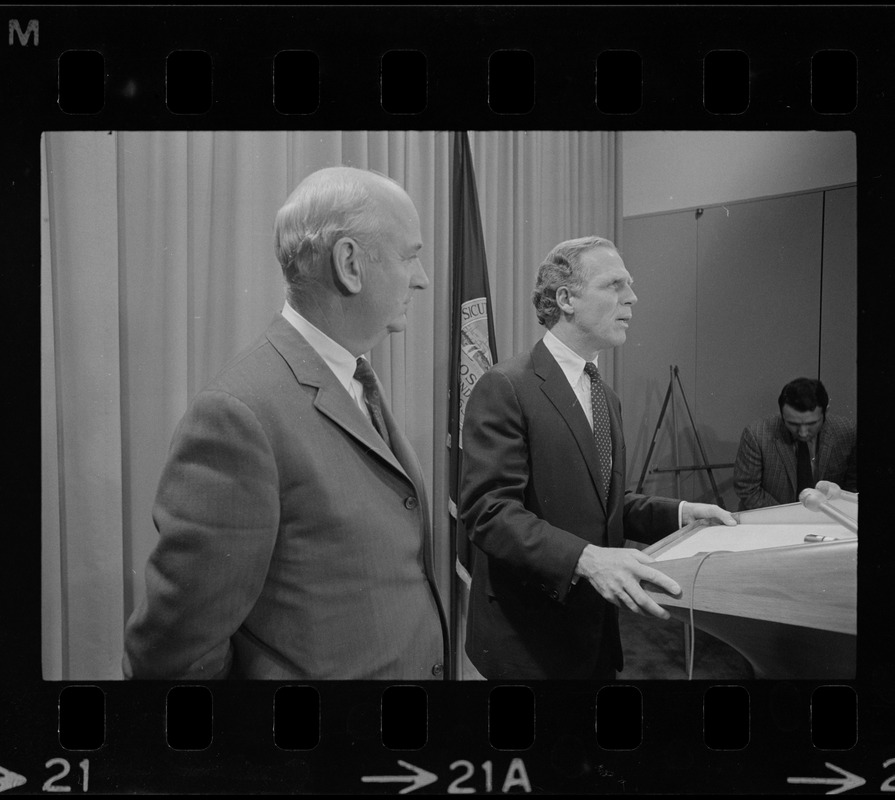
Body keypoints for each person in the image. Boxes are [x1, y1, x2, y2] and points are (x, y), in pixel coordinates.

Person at [123, 166, 449, 680]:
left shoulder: (354, 373)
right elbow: (174, 654)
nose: (422, 277)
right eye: (411, 255)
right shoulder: (239, 416)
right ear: (350, 264)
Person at [459, 236, 736, 680]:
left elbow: (606, 503)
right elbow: (488, 513)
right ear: (566, 299)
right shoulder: (506, 385)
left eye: (629, 285)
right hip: (528, 643)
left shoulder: (604, 395)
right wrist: (587, 559)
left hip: (594, 638)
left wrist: (682, 514)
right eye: (614, 284)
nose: (632, 297)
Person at [733, 377, 857, 511]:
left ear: (826, 412)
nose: (803, 433)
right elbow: (748, 489)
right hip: (772, 517)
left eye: (812, 424)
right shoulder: (757, 435)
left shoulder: (847, 432)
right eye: (793, 424)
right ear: (782, 415)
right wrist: (789, 516)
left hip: (829, 517)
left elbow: (852, 486)